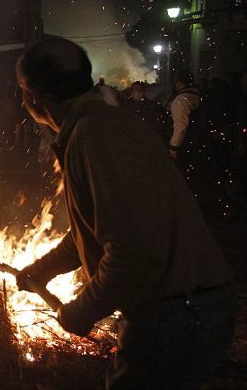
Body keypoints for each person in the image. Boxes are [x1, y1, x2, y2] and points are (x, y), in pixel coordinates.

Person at [15, 36, 236, 389]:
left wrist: (81, 310)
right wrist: (44, 269)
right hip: (188, 307)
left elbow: (134, 255)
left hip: (177, 313)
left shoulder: (93, 137)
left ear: (33, 97)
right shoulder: (104, 124)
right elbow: (96, 229)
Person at [126, 81, 171, 145]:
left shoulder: (152, 106)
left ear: (143, 92)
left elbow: (157, 125)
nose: (137, 93)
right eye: (135, 91)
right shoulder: (126, 105)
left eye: (139, 91)